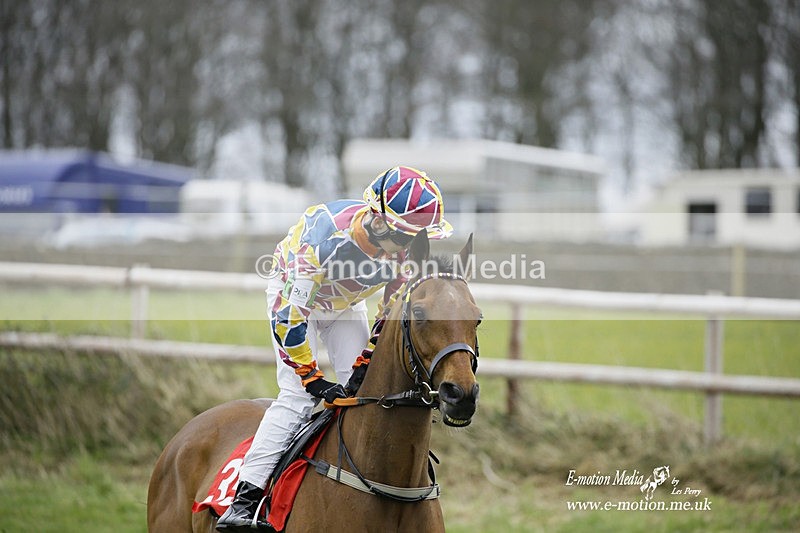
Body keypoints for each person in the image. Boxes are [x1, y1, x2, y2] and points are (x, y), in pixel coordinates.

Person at [217, 166, 453, 531]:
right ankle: (244, 501)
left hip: (344, 303)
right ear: (380, 223)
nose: (410, 249)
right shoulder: (322, 241)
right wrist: (313, 379)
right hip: (295, 302)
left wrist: (365, 360)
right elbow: (289, 319)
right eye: (406, 238)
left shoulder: (405, 250)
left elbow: (389, 311)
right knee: (297, 397)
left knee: (369, 389)